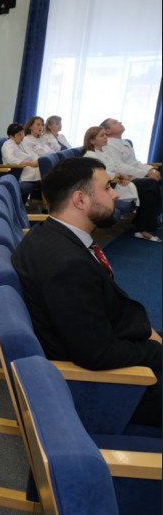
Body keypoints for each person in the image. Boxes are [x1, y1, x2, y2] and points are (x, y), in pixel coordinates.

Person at [12, 157, 161, 426]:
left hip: (115, 332)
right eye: (107, 188)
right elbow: (97, 353)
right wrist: (154, 347)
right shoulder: (66, 265)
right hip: (115, 390)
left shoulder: (47, 234)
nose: (115, 193)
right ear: (80, 200)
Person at [82, 126, 160, 241]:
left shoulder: (104, 151)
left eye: (105, 134)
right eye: (102, 135)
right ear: (92, 141)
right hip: (110, 187)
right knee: (151, 184)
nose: (106, 137)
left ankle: (143, 229)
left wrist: (123, 176)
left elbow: (117, 167)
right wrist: (120, 176)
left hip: (119, 182)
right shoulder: (90, 155)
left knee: (150, 192)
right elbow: (102, 174)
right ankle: (144, 227)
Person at [101, 118, 161, 183]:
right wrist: (146, 173)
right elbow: (119, 167)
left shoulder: (126, 142)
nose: (120, 122)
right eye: (115, 122)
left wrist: (151, 170)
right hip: (126, 178)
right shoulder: (107, 145)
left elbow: (135, 162)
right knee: (151, 182)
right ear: (108, 131)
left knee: (159, 170)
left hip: (138, 173)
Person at [1, 122, 41, 196]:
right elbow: (10, 160)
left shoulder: (21, 143)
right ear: (11, 136)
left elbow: (31, 154)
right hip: (19, 171)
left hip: (30, 168)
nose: (22, 136)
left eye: (23, 133)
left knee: (46, 169)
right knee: (46, 173)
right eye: (19, 134)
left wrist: (38, 160)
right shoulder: (7, 145)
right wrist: (30, 163)